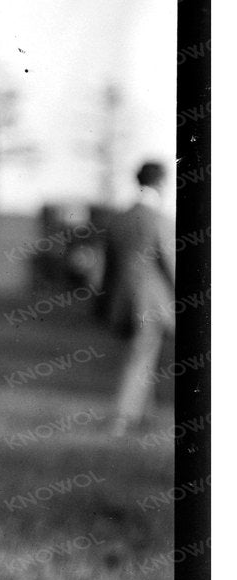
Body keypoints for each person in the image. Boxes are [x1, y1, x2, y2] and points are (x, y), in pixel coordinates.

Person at [105, 159, 176, 435]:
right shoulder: (159, 220)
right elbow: (171, 264)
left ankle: (144, 418)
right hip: (152, 303)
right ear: (161, 183)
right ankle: (121, 420)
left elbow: (109, 268)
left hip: (122, 300)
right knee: (141, 359)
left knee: (143, 357)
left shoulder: (119, 219)